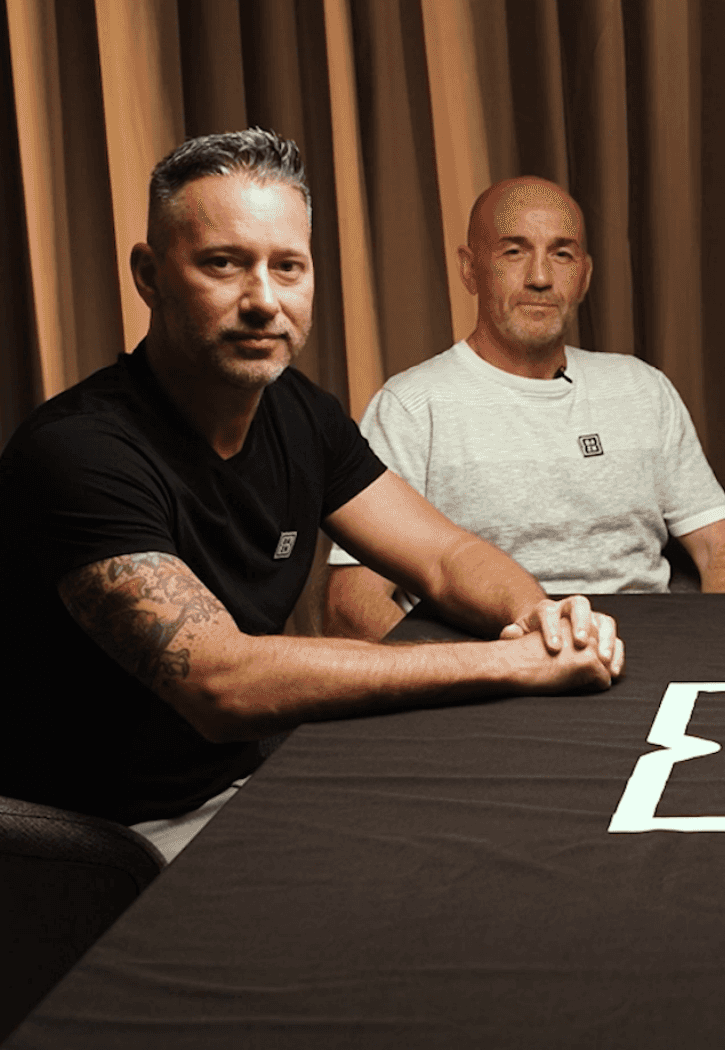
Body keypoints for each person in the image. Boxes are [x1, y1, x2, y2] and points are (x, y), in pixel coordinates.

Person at [0, 130, 623, 861]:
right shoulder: (77, 451)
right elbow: (221, 684)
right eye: (222, 264)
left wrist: (540, 617)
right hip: (92, 842)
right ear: (149, 274)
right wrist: (507, 665)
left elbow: (444, 556)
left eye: (287, 266)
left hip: (245, 784)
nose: (263, 300)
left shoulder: (300, 413)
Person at [325, 177, 725, 641]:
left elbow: (722, 550)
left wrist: (721, 655)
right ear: (470, 270)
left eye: (562, 254)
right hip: (489, 660)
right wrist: (455, 672)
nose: (539, 277)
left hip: (649, 655)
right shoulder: (411, 408)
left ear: (585, 276)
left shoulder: (642, 389)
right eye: (514, 252)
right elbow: (352, 599)